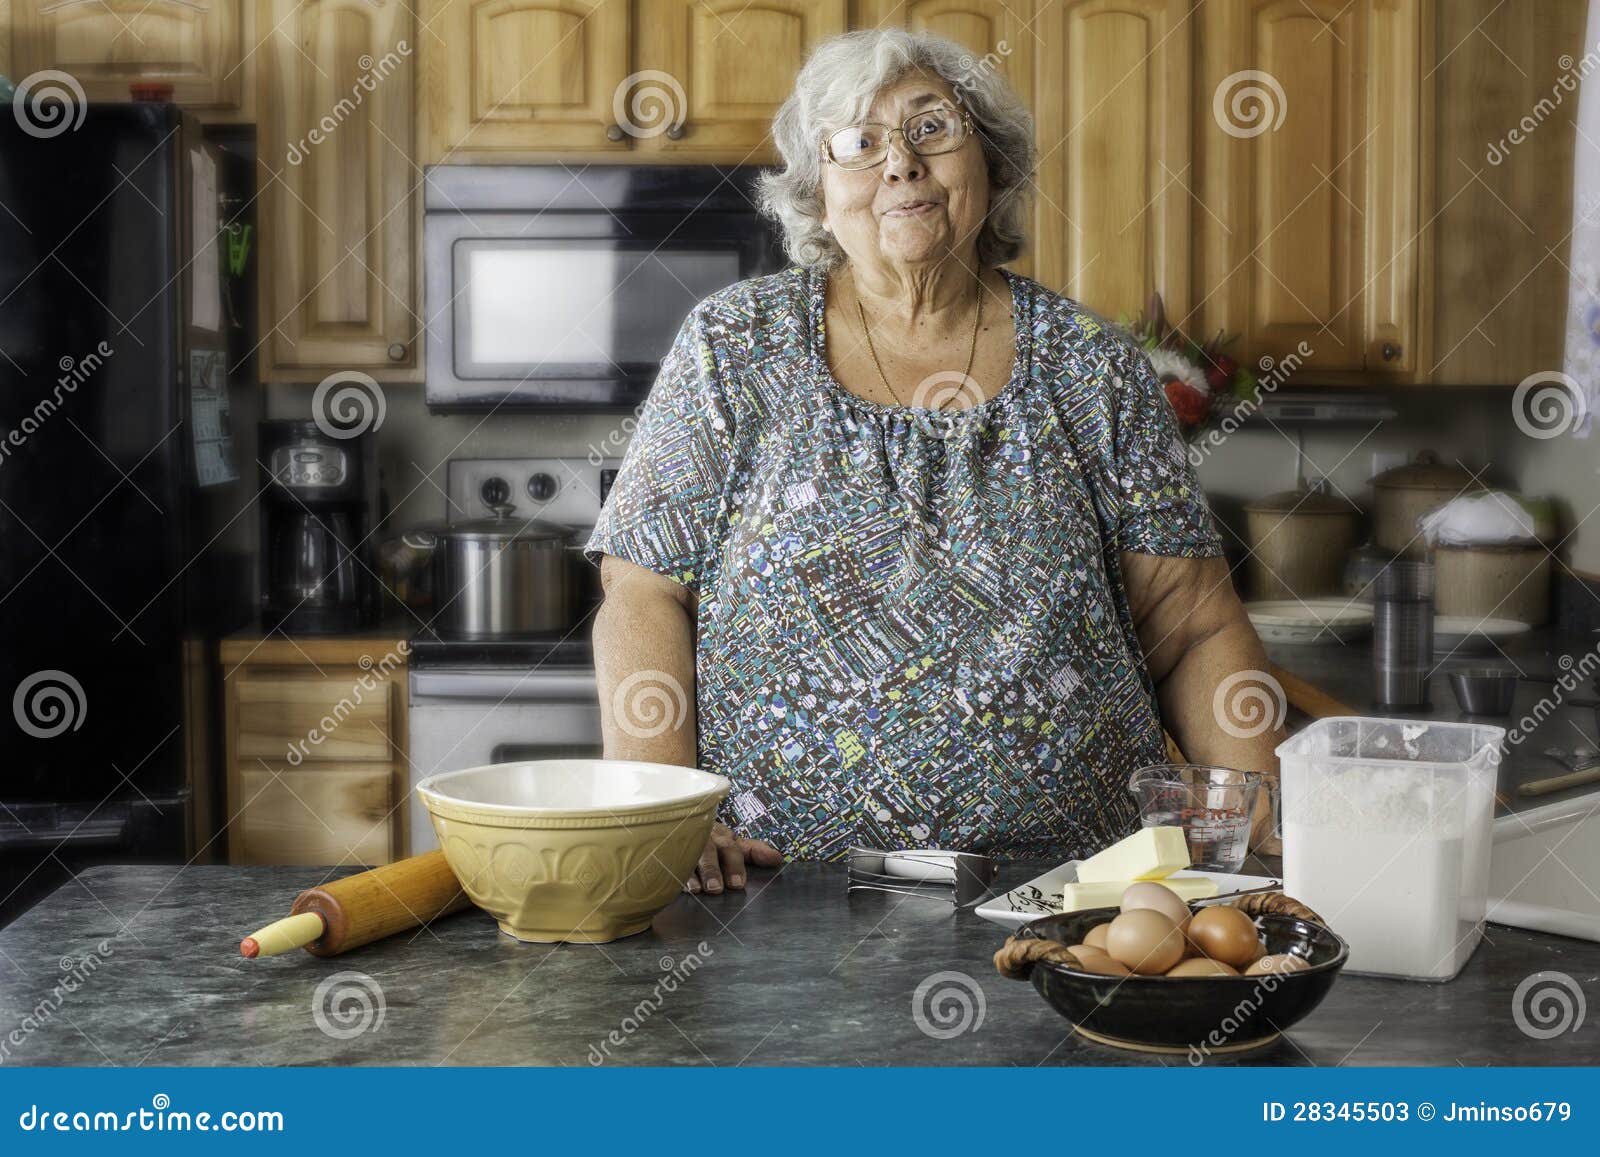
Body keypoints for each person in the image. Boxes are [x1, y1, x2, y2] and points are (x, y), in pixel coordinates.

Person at [585, 28, 1282, 895]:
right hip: (778, 896)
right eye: (860, 143)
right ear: (819, 191)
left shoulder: (1091, 365)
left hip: (1071, 893)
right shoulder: (733, 348)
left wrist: (1258, 821)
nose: (900, 165)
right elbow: (642, 589)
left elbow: (1194, 625)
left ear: (988, 163)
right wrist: (665, 803)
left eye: (931, 129)